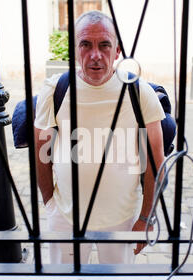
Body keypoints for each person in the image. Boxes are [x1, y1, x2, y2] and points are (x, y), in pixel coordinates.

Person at [34, 10, 165, 264]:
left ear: (117, 51)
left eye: (104, 45)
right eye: (86, 44)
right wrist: (49, 203)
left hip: (122, 218)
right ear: (75, 49)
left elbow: (156, 163)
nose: (95, 55)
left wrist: (146, 217)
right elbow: (42, 153)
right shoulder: (55, 89)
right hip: (66, 217)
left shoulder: (140, 93)